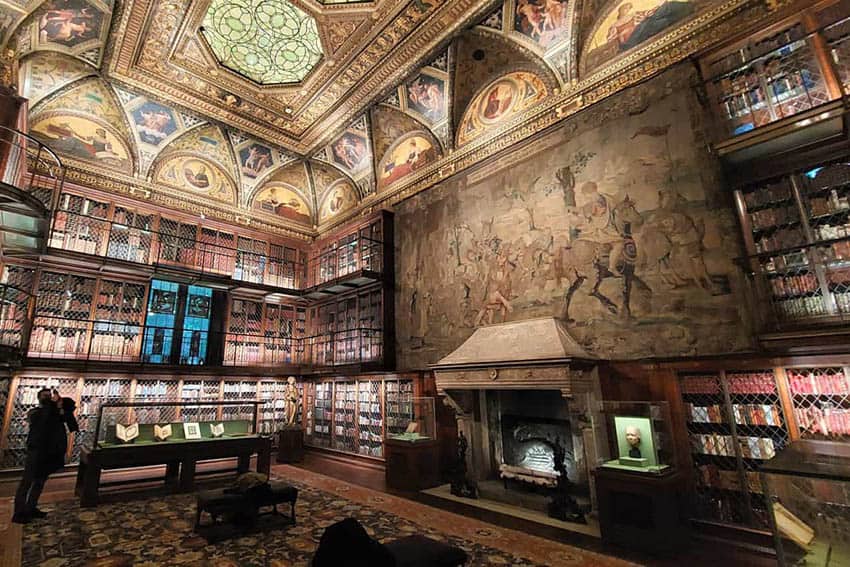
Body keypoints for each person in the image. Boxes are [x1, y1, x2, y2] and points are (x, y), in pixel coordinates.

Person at [12, 388, 77, 524]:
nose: (48, 398)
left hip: (49, 453)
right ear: (40, 399)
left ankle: (31, 507)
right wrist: (52, 405)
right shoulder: (35, 413)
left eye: (49, 396)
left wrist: (61, 404)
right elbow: (43, 421)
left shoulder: (53, 413)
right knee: (27, 482)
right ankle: (19, 513)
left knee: (39, 482)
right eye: (45, 396)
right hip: (36, 451)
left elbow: (70, 421)